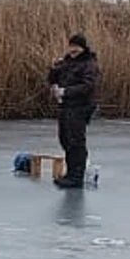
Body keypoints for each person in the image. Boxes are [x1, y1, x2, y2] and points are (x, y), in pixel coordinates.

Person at [47, 33, 100, 189]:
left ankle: (76, 176)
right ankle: (70, 173)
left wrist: (66, 91)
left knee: (76, 141)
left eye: (76, 47)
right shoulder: (66, 62)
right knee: (65, 139)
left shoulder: (89, 64)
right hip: (65, 106)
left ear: (83, 48)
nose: (73, 50)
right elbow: (51, 79)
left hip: (80, 107)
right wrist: (54, 69)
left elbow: (88, 86)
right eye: (71, 46)